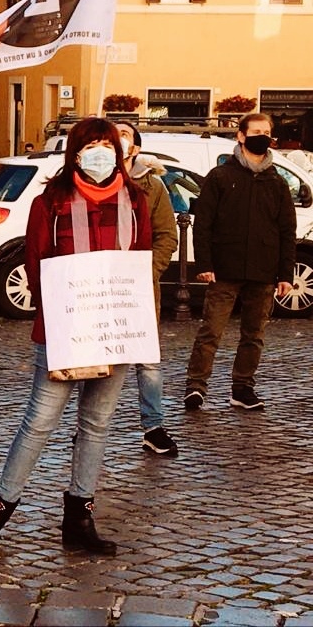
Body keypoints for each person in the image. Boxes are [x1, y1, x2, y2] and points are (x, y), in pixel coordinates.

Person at [0, 117, 151, 555]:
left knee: (96, 424)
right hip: (64, 330)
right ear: (76, 153)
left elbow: (141, 257)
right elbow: (35, 264)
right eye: (93, 144)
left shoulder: (135, 199)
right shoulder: (52, 202)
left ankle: (79, 515)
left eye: (109, 144)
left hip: (115, 329)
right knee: (39, 422)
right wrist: (69, 307)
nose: (102, 152)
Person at [185, 112, 295, 412]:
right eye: (256, 131)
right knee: (211, 331)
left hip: (263, 269)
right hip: (224, 267)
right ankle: (196, 387)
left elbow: (287, 230)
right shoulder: (221, 177)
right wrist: (204, 264)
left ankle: (243, 388)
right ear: (241, 136)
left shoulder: (277, 182)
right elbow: (203, 224)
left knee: (254, 335)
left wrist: (285, 273)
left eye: (266, 132)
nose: (262, 136)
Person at [116, 123, 179, 456]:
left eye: (124, 133)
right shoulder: (89, 185)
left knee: (148, 361)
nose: (118, 138)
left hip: (140, 288)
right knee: (100, 361)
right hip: (101, 290)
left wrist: (146, 271)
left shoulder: (152, 187)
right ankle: (89, 428)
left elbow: (168, 235)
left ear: (135, 149)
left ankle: (153, 426)